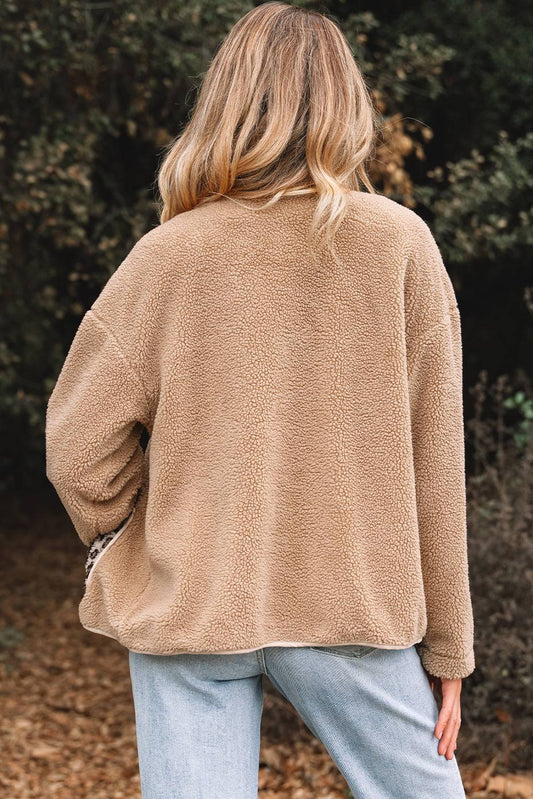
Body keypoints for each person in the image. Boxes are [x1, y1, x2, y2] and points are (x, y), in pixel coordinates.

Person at [45, 3, 475, 797]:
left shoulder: (167, 255)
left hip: (193, 606)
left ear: (227, 101)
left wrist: (129, 537)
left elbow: (77, 448)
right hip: (351, 605)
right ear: (348, 105)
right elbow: (434, 462)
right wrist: (449, 650)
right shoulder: (400, 245)